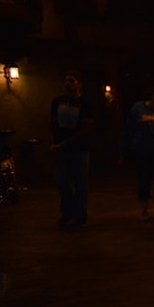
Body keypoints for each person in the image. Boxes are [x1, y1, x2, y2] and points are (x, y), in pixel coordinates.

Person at [120, 85, 154, 221]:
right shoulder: (138, 108)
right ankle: (144, 210)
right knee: (144, 181)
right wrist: (125, 148)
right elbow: (129, 128)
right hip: (143, 151)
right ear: (153, 97)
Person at [50, 70, 94, 229]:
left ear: (79, 84)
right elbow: (53, 123)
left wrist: (65, 143)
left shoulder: (85, 104)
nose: (68, 84)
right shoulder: (57, 102)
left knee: (81, 184)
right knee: (63, 184)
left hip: (79, 150)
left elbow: (85, 127)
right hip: (61, 149)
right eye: (66, 81)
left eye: (72, 81)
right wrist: (55, 143)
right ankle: (67, 212)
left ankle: (80, 216)